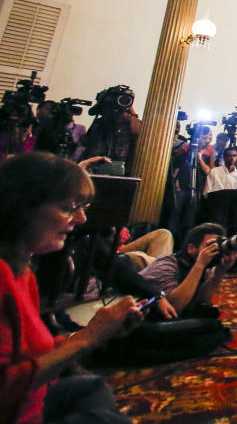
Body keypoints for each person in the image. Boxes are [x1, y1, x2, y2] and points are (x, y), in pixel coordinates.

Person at [0, 152, 143, 424]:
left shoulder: (23, 271)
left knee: (92, 387)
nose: (81, 219)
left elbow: (35, 350)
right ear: (23, 208)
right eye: (68, 208)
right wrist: (89, 337)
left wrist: (100, 333)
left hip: (32, 402)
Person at [139, 222, 237, 316]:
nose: (215, 250)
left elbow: (201, 303)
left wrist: (220, 272)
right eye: (209, 246)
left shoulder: (207, 267)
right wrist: (199, 265)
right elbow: (173, 308)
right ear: (191, 248)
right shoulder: (167, 265)